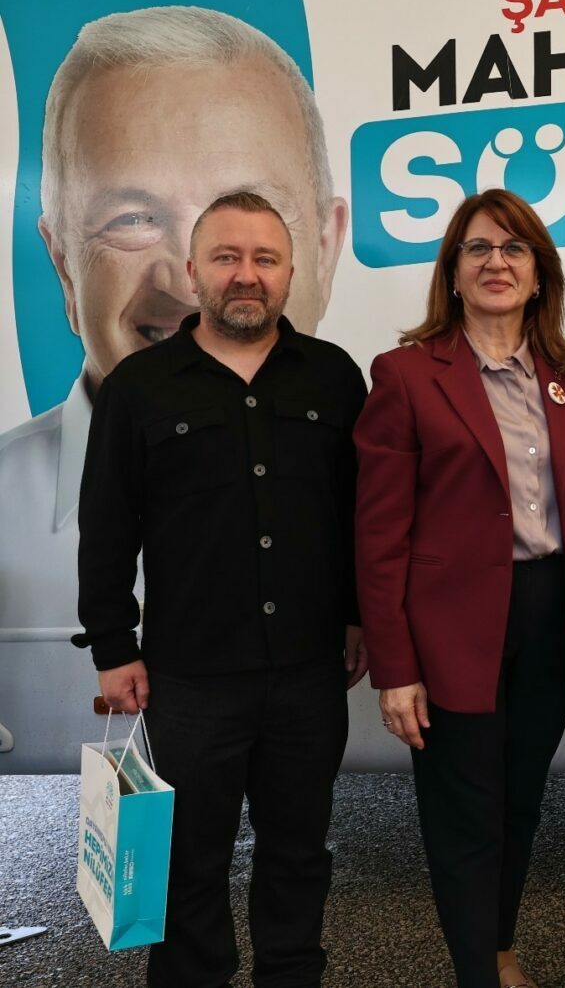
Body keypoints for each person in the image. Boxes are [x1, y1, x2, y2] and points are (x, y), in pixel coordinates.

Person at [77, 191, 368, 987]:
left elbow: (360, 512)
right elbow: (107, 525)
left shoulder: (335, 377)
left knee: (298, 855)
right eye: (228, 257)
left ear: (291, 272)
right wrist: (113, 647)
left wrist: (356, 615)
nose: (247, 274)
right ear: (194, 270)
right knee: (188, 864)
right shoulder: (139, 387)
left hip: (309, 672)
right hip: (190, 679)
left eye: (265, 259)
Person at [0, 4, 347, 630]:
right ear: (64, 266)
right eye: (133, 219)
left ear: (324, 249)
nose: (194, 281)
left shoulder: (373, 441)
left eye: (250, 214)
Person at [354, 190, 565, 988]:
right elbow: (378, 537)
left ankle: (498, 947)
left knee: (521, 801)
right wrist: (395, 667)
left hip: (548, 612)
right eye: (479, 248)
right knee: (465, 815)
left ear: (539, 273)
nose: (497, 262)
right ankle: (476, 973)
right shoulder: (406, 375)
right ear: (452, 271)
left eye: (514, 249)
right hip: (450, 630)